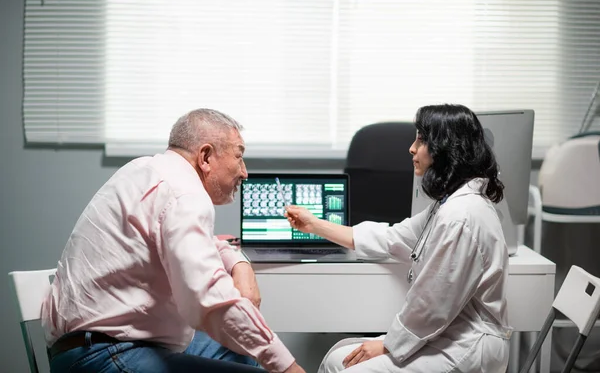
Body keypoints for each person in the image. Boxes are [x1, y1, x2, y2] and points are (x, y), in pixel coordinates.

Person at [42, 109, 306, 373]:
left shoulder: (145, 170)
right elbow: (209, 298)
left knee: (237, 351)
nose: (244, 172)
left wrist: (239, 262)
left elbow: (201, 242)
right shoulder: (185, 194)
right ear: (205, 157)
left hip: (91, 346)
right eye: (239, 157)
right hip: (104, 355)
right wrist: (288, 367)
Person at [285, 104, 512, 372]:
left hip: (469, 345)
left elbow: (432, 304)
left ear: (445, 148)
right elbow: (391, 237)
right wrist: (314, 225)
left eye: (421, 139)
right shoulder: (448, 205)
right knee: (337, 357)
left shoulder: (461, 215)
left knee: (347, 367)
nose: (412, 148)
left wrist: (388, 345)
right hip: (447, 334)